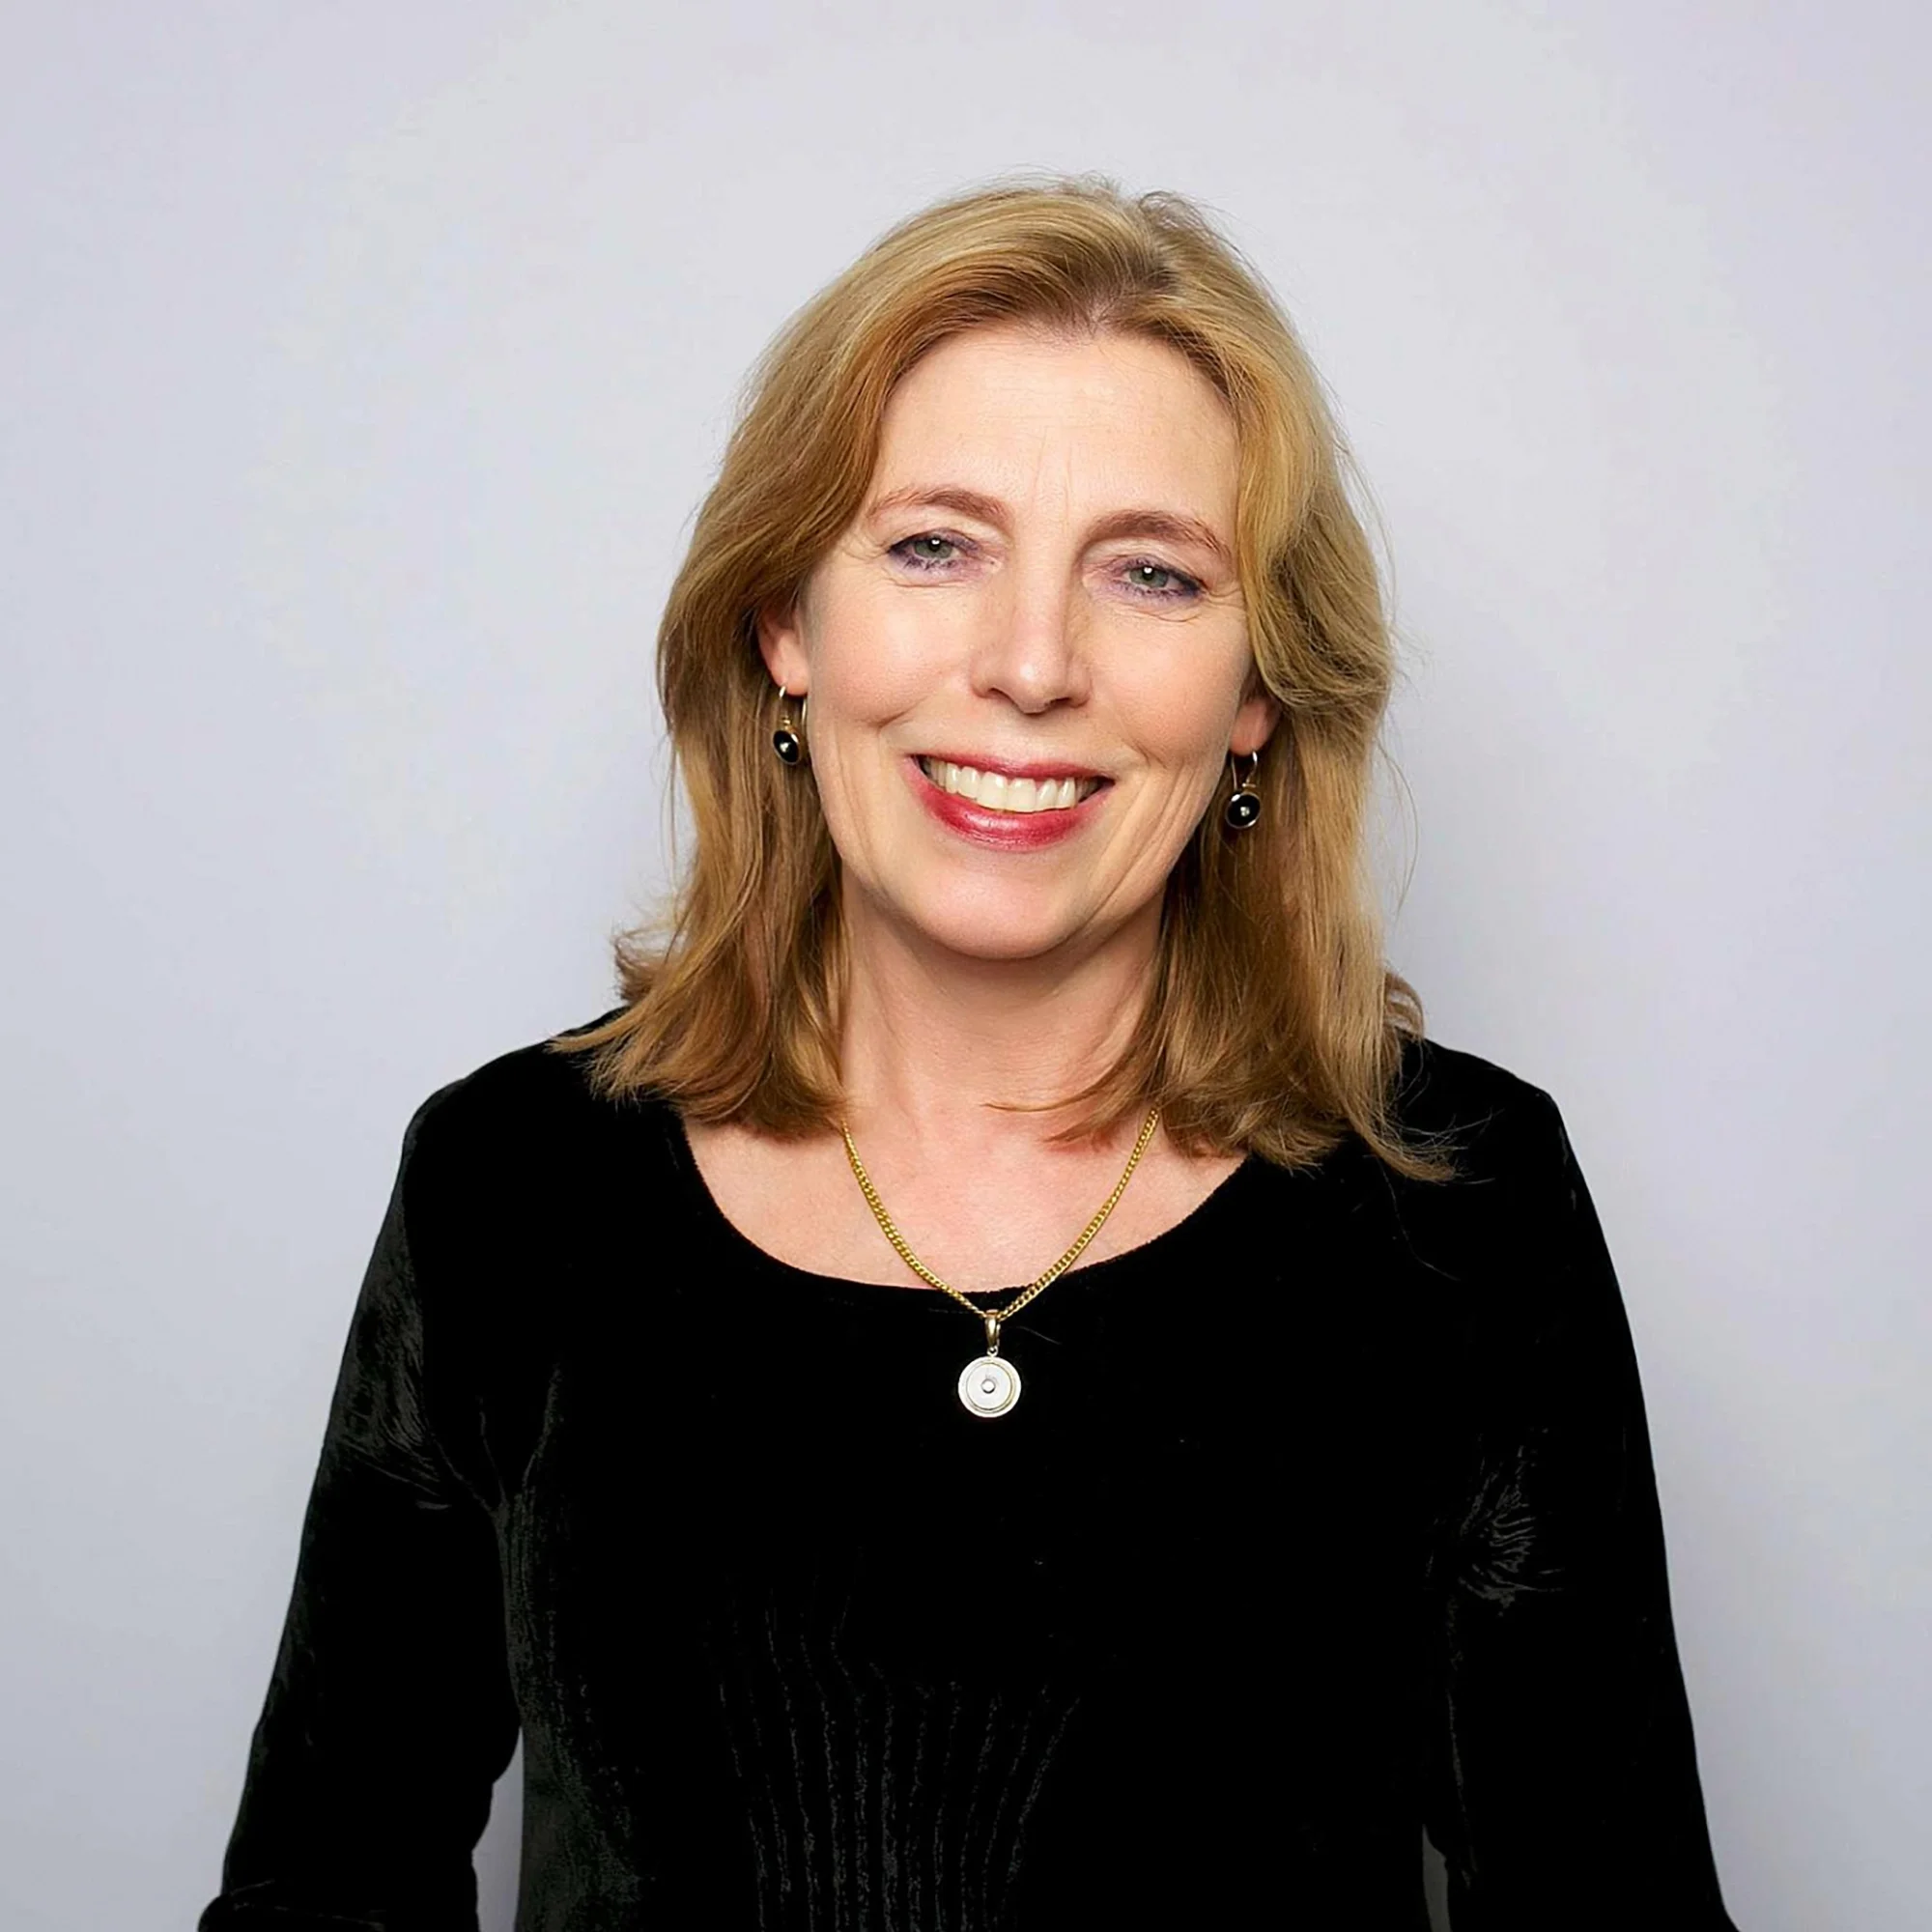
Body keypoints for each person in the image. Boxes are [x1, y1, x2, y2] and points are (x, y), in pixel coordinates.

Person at [200, 177, 1738, 1930]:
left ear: (1255, 693)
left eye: (1152, 574)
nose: (1030, 666)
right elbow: (326, 1889)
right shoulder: (512, 1181)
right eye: (935, 545)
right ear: (787, 624)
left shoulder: (1462, 1209)